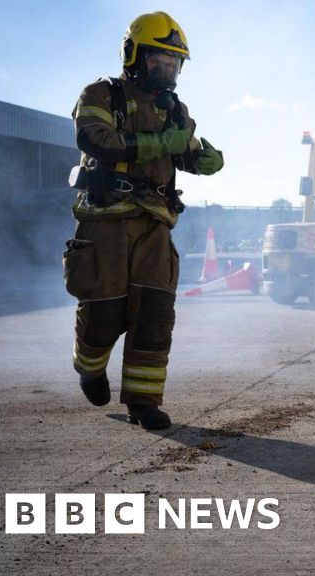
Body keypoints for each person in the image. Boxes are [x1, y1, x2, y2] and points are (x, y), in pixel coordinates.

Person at [64, 11, 224, 430]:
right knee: (103, 313)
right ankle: (90, 367)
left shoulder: (175, 110)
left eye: (175, 64)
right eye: (159, 61)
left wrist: (205, 159)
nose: (167, 71)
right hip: (105, 222)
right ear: (135, 54)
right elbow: (97, 139)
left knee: (154, 315)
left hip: (155, 225)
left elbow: (184, 150)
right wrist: (162, 144)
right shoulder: (101, 94)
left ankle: (143, 403)